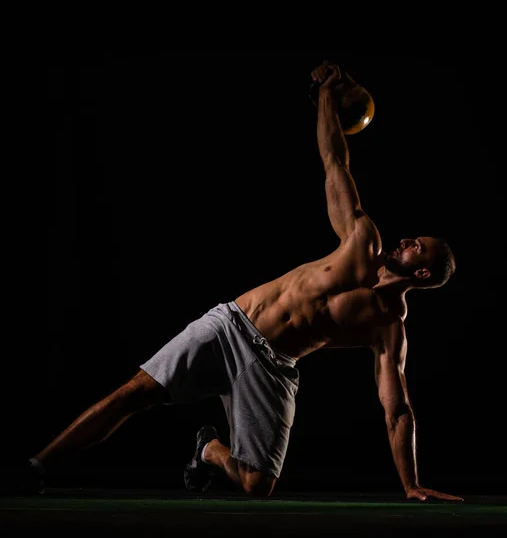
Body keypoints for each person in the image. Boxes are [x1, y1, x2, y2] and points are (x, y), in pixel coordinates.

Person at [21, 61, 462, 502]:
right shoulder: (362, 241)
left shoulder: (388, 326)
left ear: (421, 274)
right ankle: (36, 467)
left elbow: (397, 409)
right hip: (234, 325)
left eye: (416, 247)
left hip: (274, 369)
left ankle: (209, 450)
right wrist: (327, 93)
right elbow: (334, 162)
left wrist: (411, 484)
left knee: (257, 486)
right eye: (413, 239)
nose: (406, 240)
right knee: (135, 392)